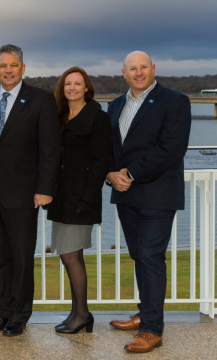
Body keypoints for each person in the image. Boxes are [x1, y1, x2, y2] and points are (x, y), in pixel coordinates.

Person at [106, 51, 191, 353]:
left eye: (144, 67)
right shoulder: (115, 105)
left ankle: (152, 329)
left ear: (153, 69)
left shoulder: (175, 101)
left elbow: (171, 148)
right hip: (125, 194)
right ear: (124, 72)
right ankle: (145, 313)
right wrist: (110, 174)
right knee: (139, 257)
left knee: (151, 257)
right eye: (133, 68)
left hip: (157, 194)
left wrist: (129, 172)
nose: (138, 72)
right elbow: (109, 147)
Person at [0, 44, 60, 336]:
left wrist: (45, 188)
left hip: (24, 194)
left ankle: (20, 315)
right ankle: (2, 312)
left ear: (23, 69)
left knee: (21, 256)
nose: (7, 70)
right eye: (2, 65)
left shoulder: (41, 99)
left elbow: (50, 148)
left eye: (13, 65)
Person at [47, 67, 111, 335]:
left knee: (71, 255)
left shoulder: (98, 117)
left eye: (78, 84)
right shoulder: (59, 115)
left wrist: (86, 200)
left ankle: (82, 314)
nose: (72, 88)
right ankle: (77, 312)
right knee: (67, 254)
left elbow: (100, 164)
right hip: (61, 197)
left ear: (86, 87)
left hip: (81, 198)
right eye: (67, 84)